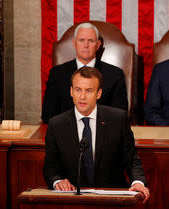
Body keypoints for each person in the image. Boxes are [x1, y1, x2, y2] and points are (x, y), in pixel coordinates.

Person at [43, 67, 150, 202]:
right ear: (71, 91)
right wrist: (57, 181)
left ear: (99, 93)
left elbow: (131, 160)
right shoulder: (57, 125)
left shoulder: (117, 119)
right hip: (74, 199)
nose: (82, 97)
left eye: (89, 90)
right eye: (78, 90)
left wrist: (138, 183)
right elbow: (50, 167)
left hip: (112, 199)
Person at [41, 22, 128, 124]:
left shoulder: (115, 75)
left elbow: (119, 116)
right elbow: (48, 115)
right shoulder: (57, 74)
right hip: (66, 132)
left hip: (103, 133)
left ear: (98, 45)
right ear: (74, 43)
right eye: (81, 40)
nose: (86, 45)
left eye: (90, 41)